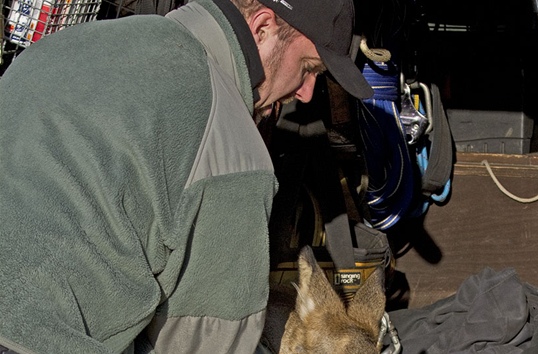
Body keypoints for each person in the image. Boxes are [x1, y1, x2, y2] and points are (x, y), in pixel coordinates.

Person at [0, 0, 373, 351]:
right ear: (262, 28)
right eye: (308, 68)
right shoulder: (232, 151)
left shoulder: (71, 44)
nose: (307, 93)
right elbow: (200, 347)